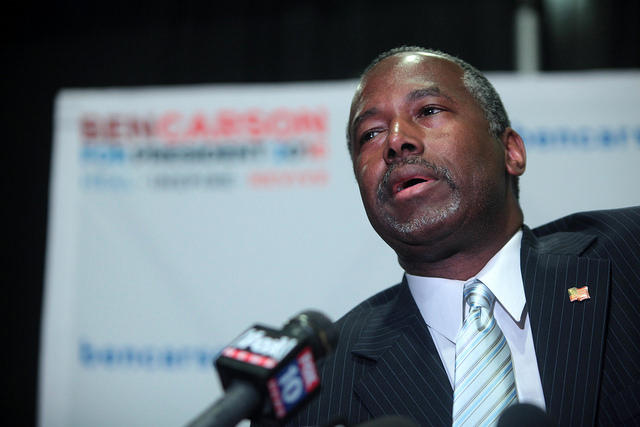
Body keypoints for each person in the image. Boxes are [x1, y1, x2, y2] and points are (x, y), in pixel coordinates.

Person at [271, 47, 640, 426]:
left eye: (429, 110)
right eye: (371, 134)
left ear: (511, 151)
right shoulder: (316, 389)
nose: (395, 141)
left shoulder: (630, 256)